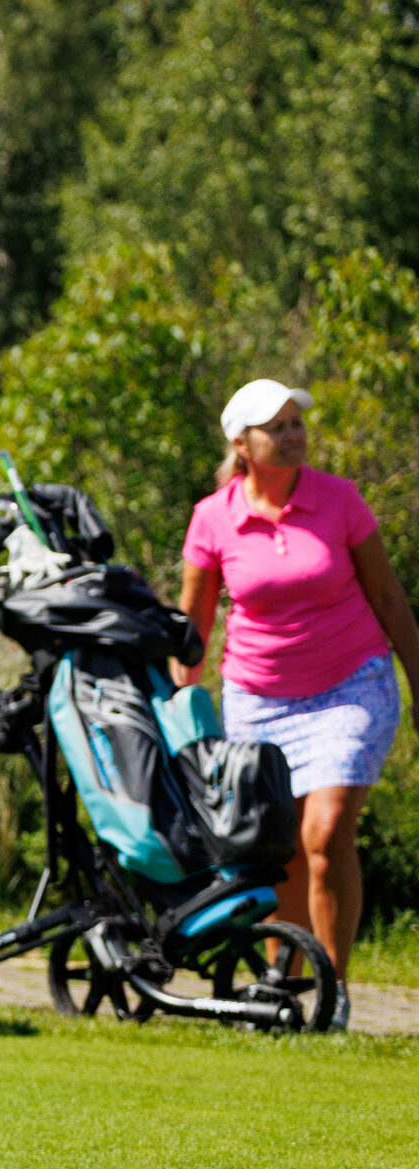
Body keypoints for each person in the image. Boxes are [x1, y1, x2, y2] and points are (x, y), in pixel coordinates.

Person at [175, 379, 419, 999]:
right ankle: (284, 982)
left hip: (351, 686)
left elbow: (389, 599)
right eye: (277, 427)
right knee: (276, 847)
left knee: (326, 831)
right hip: (256, 700)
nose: (293, 436)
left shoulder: (340, 500)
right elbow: (193, 626)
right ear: (243, 444)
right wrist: (180, 711)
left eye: (296, 424)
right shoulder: (213, 518)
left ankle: (332, 990)